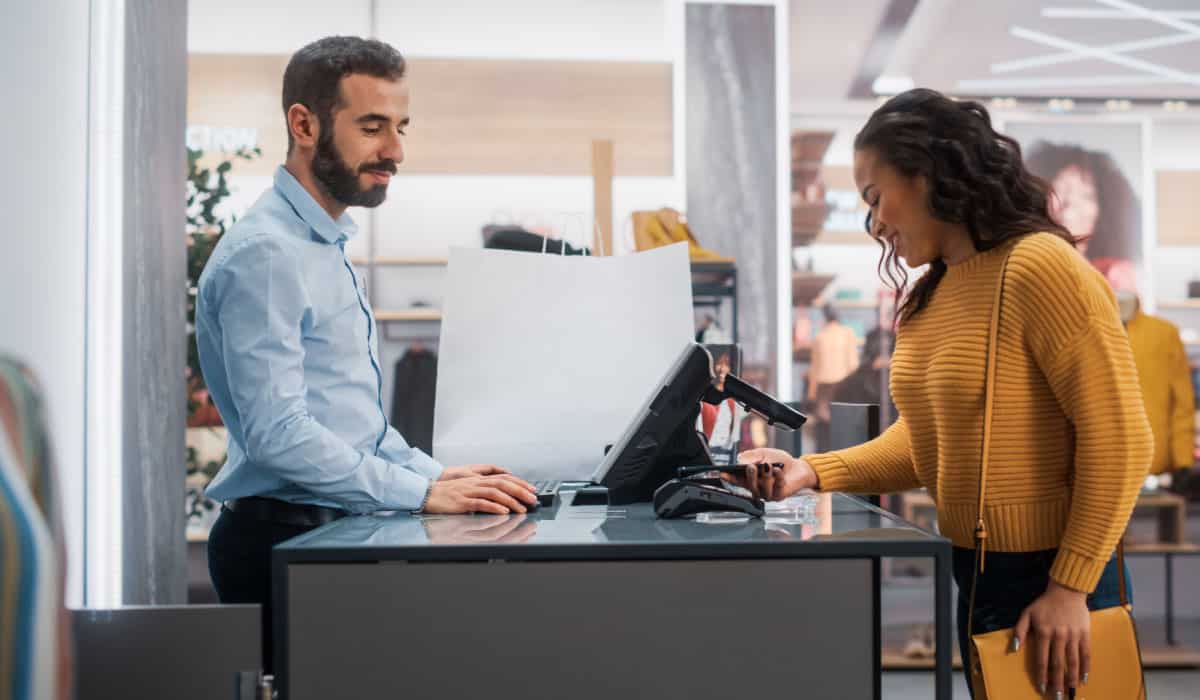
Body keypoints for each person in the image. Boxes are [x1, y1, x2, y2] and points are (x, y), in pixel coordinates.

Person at [730, 89, 1152, 698]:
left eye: (876, 197)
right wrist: (810, 471)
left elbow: (1121, 440)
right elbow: (929, 442)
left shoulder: (1040, 267)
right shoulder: (932, 296)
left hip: (1058, 574)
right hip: (977, 569)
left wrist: (1070, 587)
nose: (874, 222)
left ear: (927, 173)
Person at [195, 36, 538, 670]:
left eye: (400, 127)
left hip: (327, 527)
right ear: (304, 124)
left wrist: (433, 475)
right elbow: (279, 434)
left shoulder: (321, 244)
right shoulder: (268, 254)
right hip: (282, 536)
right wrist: (416, 492)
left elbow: (353, 424)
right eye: (373, 127)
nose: (395, 151)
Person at [1024, 142, 1142, 268]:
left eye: (1086, 195)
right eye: (1059, 189)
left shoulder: (1115, 275)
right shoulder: (1023, 263)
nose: (1070, 207)